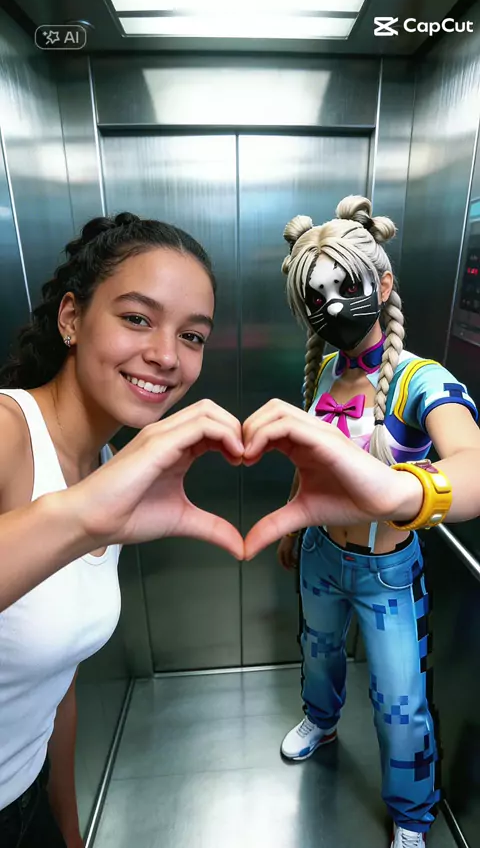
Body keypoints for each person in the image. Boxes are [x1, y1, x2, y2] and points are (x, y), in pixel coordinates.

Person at [0, 213, 245, 848]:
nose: (166, 355)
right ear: (71, 317)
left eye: (192, 336)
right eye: (137, 318)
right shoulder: (7, 433)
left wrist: (67, 825)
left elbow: (59, 683)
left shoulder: (109, 464)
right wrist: (82, 516)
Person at [244, 195, 480, 848]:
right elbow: (312, 462)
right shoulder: (324, 371)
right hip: (321, 556)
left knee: (401, 702)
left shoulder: (420, 380)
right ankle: (321, 722)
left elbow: (474, 467)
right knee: (318, 653)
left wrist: (400, 493)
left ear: (383, 282)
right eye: (316, 298)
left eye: (346, 288)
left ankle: (411, 815)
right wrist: (296, 526)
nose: (333, 308)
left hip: (389, 572)